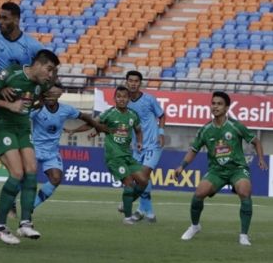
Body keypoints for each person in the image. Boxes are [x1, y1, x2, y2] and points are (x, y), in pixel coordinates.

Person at [0, 49, 59, 245]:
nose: (51, 75)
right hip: (1, 127)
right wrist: (10, 106)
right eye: (49, 69)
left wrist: (44, 99)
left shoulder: (42, 84)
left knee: (31, 170)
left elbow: (38, 99)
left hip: (22, 128)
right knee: (17, 173)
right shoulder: (10, 73)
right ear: (38, 64)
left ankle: (25, 223)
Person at [0, 1, 44, 224]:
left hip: (20, 111)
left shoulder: (31, 46)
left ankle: (12, 197)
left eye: (5, 18)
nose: (1, 22)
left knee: (22, 162)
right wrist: (1, 88)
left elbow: (40, 74)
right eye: (0, 17)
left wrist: (41, 95)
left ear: (16, 19)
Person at [175, 91, 268, 246]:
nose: (215, 106)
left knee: (245, 192)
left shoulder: (235, 126)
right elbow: (194, 150)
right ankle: (195, 226)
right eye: (213, 103)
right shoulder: (205, 129)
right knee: (199, 194)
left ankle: (244, 235)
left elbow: (256, 141)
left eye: (219, 104)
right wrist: (182, 166)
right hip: (216, 171)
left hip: (237, 169)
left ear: (226, 108)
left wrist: (260, 159)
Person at [67, 86, 148, 225]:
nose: (121, 99)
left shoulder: (133, 115)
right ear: (114, 98)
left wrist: (139, 142)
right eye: (119, 96)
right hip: (114, 157)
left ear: (129, 99)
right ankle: (127, 218)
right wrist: (74, 130)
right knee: (129, 184)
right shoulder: (108, 114)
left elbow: (138, 130)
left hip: (127, 155)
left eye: (124, 97)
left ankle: (124, 204)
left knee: (143, 182)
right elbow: (91, 124)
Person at [31, 82, 106, 210]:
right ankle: (13, 204)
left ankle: (31, 207)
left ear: (59, 95)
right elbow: (22, 115)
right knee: (25, 178)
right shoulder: (37, 108)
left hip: (52, 152)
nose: (51, 96)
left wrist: (97, 125)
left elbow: (84, 116)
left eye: (55, 94)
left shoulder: (66, 109)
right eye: (50, 93)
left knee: (56, 178)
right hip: (33, 149)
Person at [124, 70, 165, 222]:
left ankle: (133, 206)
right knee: (141, 179)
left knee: (143, 176)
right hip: (137, 147)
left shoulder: (149, 100)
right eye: (130, 80)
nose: (133, 83)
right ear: (126, 82)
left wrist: (161, 133)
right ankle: (149, 212)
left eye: (136, 81)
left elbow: (161, 115)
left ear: (140, 83)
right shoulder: (125, 102)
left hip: (153, 144)